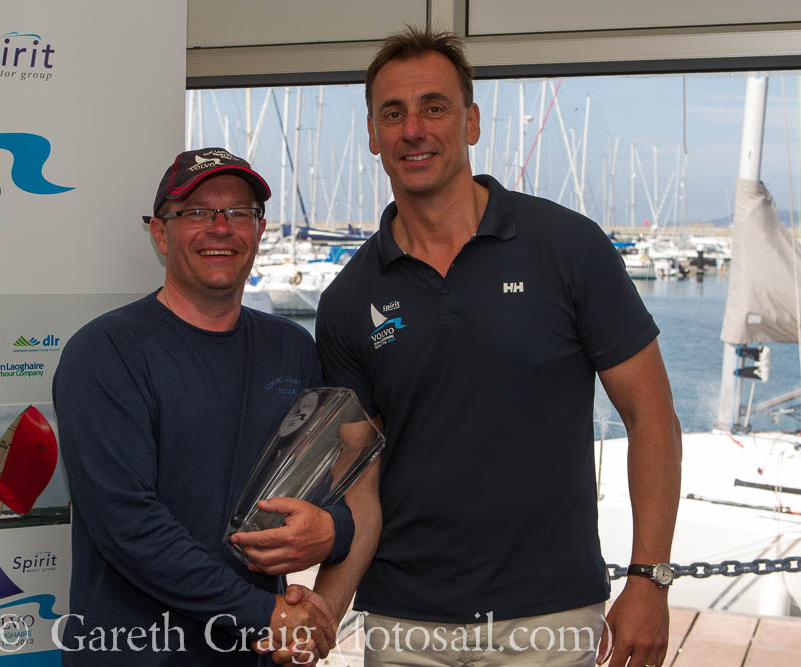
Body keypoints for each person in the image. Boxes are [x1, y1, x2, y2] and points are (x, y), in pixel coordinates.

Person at [315, 27, 682, 667]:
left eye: (434, 107)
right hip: (405, 623)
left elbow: (650, 415)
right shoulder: (348, 300)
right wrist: (325, 611)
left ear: (472, 122)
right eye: (392, 114)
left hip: (549, 616)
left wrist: (649, 578)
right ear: (372, 134)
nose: (413, 130)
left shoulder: (568, 248)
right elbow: (360, 486)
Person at [53, 147, 356, 665]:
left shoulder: (291, 348)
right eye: (196, 212)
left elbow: (326, 485)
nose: (221, 227)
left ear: (259, 231)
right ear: (160, 233)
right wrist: (265, 615)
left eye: (239, 212)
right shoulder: (104, 353)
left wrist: (333, 532)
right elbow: (127, 524)